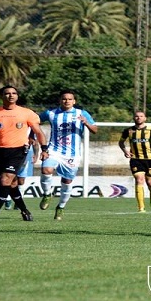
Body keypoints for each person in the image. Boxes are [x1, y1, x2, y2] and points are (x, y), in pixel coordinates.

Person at [0, 85, 48, 222]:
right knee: (12, 184)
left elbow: (39, 132)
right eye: (7, 93)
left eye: (14, 93)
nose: (11, 95)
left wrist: (44, 149)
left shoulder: (27, 113)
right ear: (1, 96)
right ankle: (25, 211)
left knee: (5, 179)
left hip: (18, 151)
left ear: (17, 96)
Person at [37, 90, 98, 220]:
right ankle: (47, 194)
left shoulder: (82, 113)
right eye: (64, 99)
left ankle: (61, 207)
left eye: (70, 99)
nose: (67, 101)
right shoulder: (51, 113)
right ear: (60, 100)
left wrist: (85, 122)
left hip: (72, 154)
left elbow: (95, 130)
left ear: (74, 101)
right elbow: (35, 123)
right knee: (46, 169)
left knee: (67, 181)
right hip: (53, 150)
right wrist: (32, 136)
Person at [119, 111, 151, 212]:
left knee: (150, 182)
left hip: (150, 160)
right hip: (135, 159)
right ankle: (141, 208)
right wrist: (125, 151)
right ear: (134, 118)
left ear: (145, 118)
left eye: (141, 116)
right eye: (136, 116)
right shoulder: (128, 130)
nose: (138, 118)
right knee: (139, 179)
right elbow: (121, 142)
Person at [4, 130, 40, 211]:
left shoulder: (31, 126)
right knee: (10, 177)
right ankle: (8, 199)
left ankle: (18, 202)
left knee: (21, 180)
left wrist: (36, 154)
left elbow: (35, 141)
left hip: (25, 154)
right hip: (11, 152)